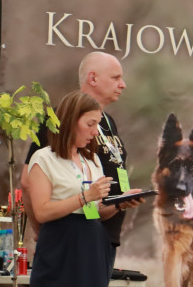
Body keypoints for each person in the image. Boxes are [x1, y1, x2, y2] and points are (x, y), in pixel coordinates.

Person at [24, 91, 143, 287]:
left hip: (91, 248)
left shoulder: (91, 161)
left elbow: (96, 211)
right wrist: (84, 197)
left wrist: (119, 205)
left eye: (98, 125)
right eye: (90, 124)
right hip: (59, 247)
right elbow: (42, 211)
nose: (95, 132)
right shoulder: (44, 159)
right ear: (70, 122)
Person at [22, 51, 130, 275]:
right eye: (116, 78)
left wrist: (124, 199)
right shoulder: (58, 119)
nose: (123, 85)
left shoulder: (109, 122)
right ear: (93, 78)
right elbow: (27, 181)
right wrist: (42, 230)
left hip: (103, 232)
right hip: (68, 235)